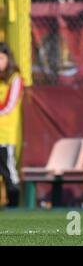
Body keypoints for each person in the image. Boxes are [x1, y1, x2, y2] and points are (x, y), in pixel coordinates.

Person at [0, 42, 24, 207]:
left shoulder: (15, 78)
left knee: (9, 171)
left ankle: (14, 206)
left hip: (6, 135)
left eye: (1, 58)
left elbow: (9, 105)